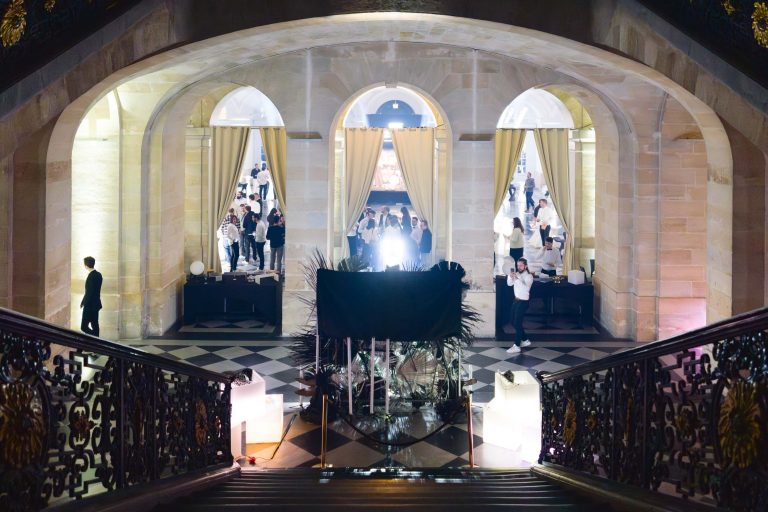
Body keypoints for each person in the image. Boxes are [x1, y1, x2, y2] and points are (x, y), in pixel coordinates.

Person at [506, 257, 533, 355]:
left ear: (525, 266)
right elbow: (509, 284)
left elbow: (525, 289)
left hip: (523, 302)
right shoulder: (516, 274)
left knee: (517, 323)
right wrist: (510, 276)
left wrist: (516, 279)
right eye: (518, 265)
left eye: (521, 265)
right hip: (516, 301)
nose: (519, 267)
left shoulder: (529, 276)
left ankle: (516, 346)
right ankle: (525, 340)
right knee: (512, 321)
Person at [80, 256, 103, 336]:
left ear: (86, 266)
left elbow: (89, 292)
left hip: (89, 305)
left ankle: (95, 339)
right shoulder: (99, 275)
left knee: (84, 327)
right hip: (96, 304)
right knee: (95, 325)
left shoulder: (90, 277)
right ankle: (96, 340)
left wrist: (83, 303)